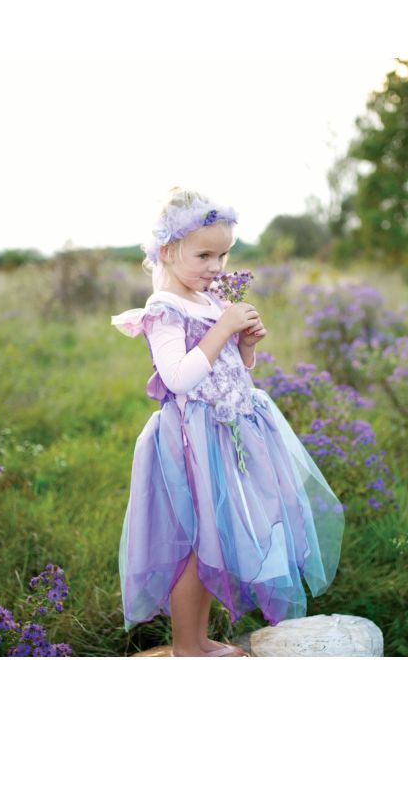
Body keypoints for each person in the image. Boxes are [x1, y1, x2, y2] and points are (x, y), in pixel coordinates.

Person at [111, 188, 344, 657]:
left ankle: (197, 639)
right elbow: (179, 378)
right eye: (204, 255)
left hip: (232, 431)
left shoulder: (212, 300)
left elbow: (232, 369)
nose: (216, 266)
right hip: (193, 440)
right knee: (195, 546)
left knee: (218, 541)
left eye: (223, 254)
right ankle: (185, 646)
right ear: (167, 251)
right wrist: (222, 331)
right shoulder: (165, 310)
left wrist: (246, 345)